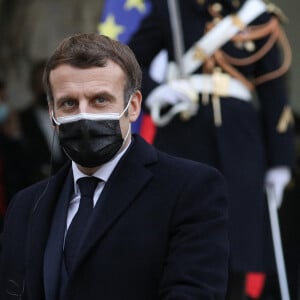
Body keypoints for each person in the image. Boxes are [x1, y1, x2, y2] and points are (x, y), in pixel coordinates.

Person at [0, 33, 229, 300]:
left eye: (100, 100)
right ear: (52, 114)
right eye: (69, 103)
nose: (84, 115)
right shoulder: (26, 206)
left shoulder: (191, 189)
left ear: (132, 107)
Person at [128, 0, 295, 299]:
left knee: (238, 244)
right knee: (182, 237)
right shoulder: (173, 9)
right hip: (183, 134)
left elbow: (274, 93)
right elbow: (128, 62)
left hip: (241, 145)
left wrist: (281, 161)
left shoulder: (257, 14)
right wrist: (155, 90)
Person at [20, 59, 66, 185]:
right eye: (41, 83)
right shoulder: (21, 119)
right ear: (33, 85)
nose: (46, 88)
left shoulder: (68, 115)